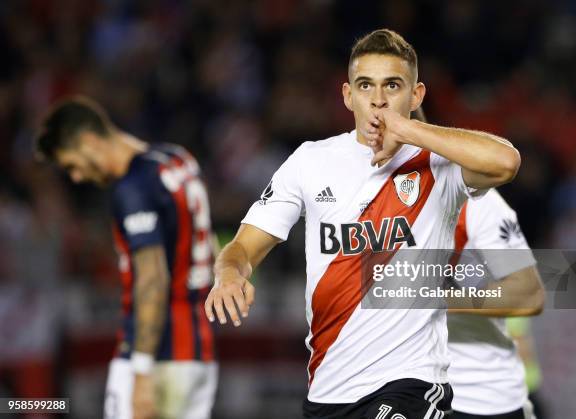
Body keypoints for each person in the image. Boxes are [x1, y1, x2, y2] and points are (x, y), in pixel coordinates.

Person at [205, 28, 521, 419]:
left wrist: (408, 131)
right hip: (329, 389)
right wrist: (230, 274)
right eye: (365, 85)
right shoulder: (310, 161)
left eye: (392, 85)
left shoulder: (438, 164)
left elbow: (506, 162)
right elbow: (243, 247)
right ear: (347, 95)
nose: (378, 100)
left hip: (411, 383)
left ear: (416, 95)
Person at [34, 97, 217, 419]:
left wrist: (142, 370)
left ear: (90, 141)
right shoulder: (176, 159)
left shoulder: (133, 188)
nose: (76, 177)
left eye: (72, 165)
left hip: (159, 356)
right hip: (198, 353)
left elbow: (152, 277)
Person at [448, 188, 545, 419]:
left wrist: (427, 298)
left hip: (476, 395)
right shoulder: (362, 192)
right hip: (386, 385)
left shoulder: (480, 202)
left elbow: (529, 294)